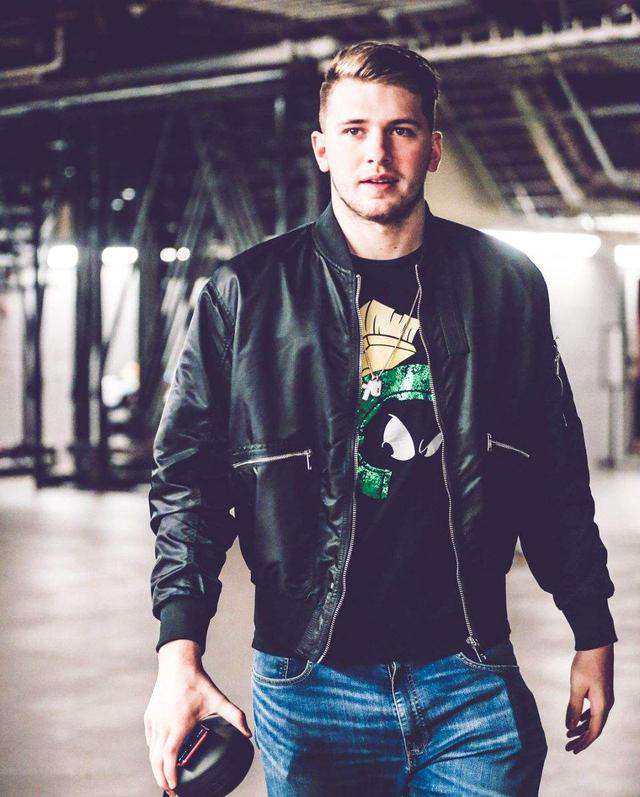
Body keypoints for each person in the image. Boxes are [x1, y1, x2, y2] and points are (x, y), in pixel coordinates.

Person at [144, 41, 617, 797]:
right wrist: (179, 652)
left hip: (470, 679)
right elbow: (189, 487)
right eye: (355, 130)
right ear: (322, 149)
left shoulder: (505, 285)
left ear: (433, 148)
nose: (378, 153)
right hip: (311, 687)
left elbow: (552, 469)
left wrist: (591, 627)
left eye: (401, 129)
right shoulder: (246, 294)